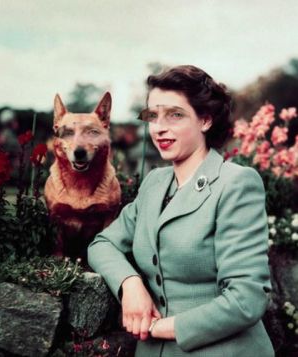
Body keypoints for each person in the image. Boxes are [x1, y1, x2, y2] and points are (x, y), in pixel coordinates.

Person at [88, 65, 275, 356]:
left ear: (205, 119)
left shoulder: (236, 183)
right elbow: (103, 244)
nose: (159, 127)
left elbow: (247, 299)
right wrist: (130, 284)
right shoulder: (154, 183)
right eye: (153, 115)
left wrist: (159, 328)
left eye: (175, 114)